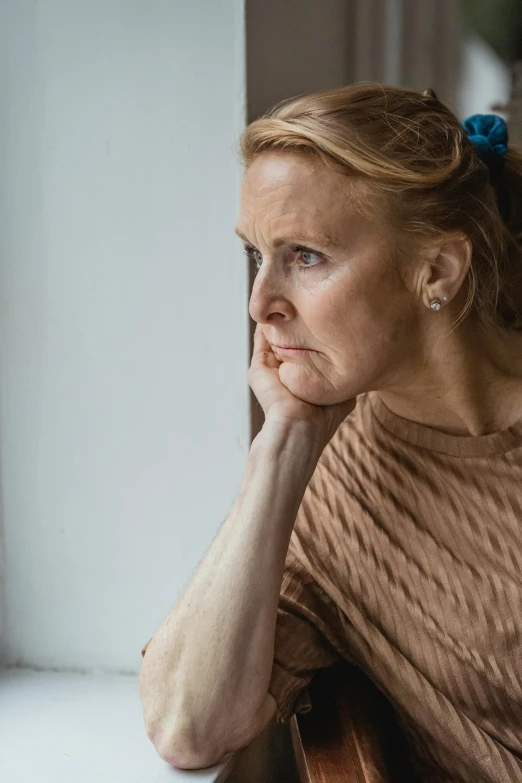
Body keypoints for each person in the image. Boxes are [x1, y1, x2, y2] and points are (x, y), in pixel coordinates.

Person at [138, 84, 522, 782]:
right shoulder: (334, 495)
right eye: (258, 255)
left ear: (435, 269)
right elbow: (186, 727)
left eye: (305, 256)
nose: (261, 304)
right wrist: (281, 446)